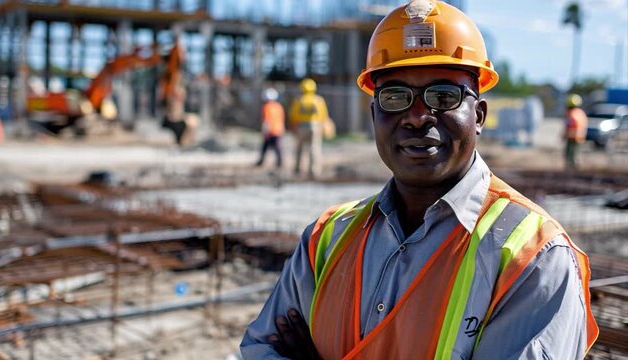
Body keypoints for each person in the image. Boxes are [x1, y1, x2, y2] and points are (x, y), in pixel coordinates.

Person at [241, 1, 598, 359]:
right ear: (374, 115)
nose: (416, 117)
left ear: (479, 115)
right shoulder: (326, 239)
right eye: (395, 97)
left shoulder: (533, 257)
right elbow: (259, 349)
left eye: (443, 96)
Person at [289, 78, 330, 178]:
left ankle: (297, 170)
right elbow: (324, 116)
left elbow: (293, 116)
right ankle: (314, 171)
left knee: (299, 149)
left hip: (301, 127)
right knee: (314, 149)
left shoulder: (299, 100)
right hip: (315, 126)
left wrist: (293, 128)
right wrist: (324, 127)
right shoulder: (318, 100)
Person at [256, 88, 286, 168]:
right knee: (276, 146)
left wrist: (265, 130)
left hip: (270, 130)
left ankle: (263, 161)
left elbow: (266, 120)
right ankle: (279, 161)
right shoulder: (279, 106)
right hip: (278, 129)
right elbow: (282, 118)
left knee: (268, 146)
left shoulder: (266, 107)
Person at [563, 94, 588, 170]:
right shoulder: (581, 113)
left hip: (571, 136)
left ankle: (571, 169)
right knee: (576, 154)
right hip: (580, 137)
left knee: (569, 154)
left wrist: (564, 135)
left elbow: (568, 126)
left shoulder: (570, 114)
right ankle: (576, 168)